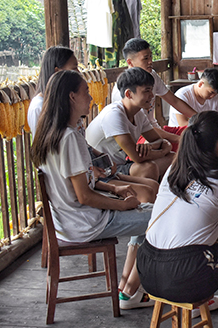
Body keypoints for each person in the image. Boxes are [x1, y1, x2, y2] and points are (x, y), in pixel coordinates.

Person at [31, 70, 155, 310]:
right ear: (71, 97)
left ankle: (128, 287)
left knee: (152, 210)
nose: (91, 98)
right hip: (84, 222)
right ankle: (130, 290)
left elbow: (82, 182)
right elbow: (84, 196)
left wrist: (114, 189)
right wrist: (122, 205)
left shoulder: (51, 133)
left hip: (69, 220)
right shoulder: (68, 138)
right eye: (86, 92)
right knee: (161, 218)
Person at [137, 111, 218, 328]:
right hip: (185, 280)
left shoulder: (175, 168)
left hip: (146, 270)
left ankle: (204, 298)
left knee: (200, 232)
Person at [28, 45, 158, 204]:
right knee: (146, 193)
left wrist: (102, 162)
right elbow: (54, 158)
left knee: (151, 185)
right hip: (79, 185)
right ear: (58, 72)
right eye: (74, 69)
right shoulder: (42, 111)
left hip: (90, 173)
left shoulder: (70, 117)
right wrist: (120, 204)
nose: (90, 99)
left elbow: (84, 148)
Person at [87, 67, 174, 182]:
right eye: (146, 91)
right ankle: (150, 196)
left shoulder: (139, 113)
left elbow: (159, 141)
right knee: (148, 168)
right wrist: (163, 150)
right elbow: (137, 157)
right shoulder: (114, 115)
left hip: (121, 164)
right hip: (103, 171)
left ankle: (164, 194)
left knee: (173, 157)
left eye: (151, 90)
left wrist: (154, 147)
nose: (152, 96)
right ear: (129, 94)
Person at [111, 38, 196, 148]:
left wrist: (199, 118)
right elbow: (144, 131)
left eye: (150, 56)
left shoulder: (152, 75)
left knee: (193, 132)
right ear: (130, 62)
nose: (150, 61)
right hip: (139, 139)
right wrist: (178, 139)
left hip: (155, 131)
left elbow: (174, 101)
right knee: (181, 145)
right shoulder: (124, 91)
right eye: (145, 59)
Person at [168, 67, 218, 152]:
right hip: (185, 135)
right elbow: (183, 125)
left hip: (206, 132)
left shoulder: (215, 96)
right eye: (211, 93)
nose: (213, 96)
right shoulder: (182, 95)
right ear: (200, 84)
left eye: (216, 93)